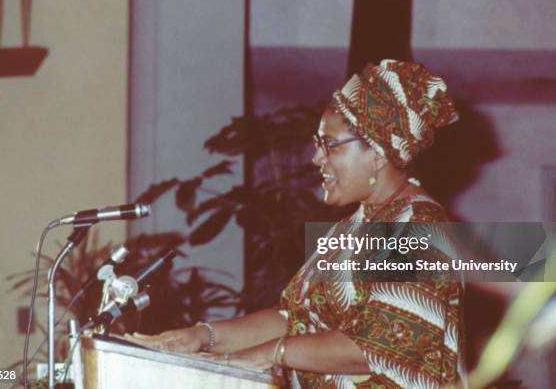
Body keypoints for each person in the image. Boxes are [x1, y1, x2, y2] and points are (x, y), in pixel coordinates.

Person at [126, 59, 465, 388]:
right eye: (318, 144)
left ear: (377, 153)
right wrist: (201, 337)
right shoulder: (351, 227)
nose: (317, 158)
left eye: (329, 145)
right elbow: (291, 319)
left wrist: (273, 354)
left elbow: (377, 346)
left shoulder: (418, 226)